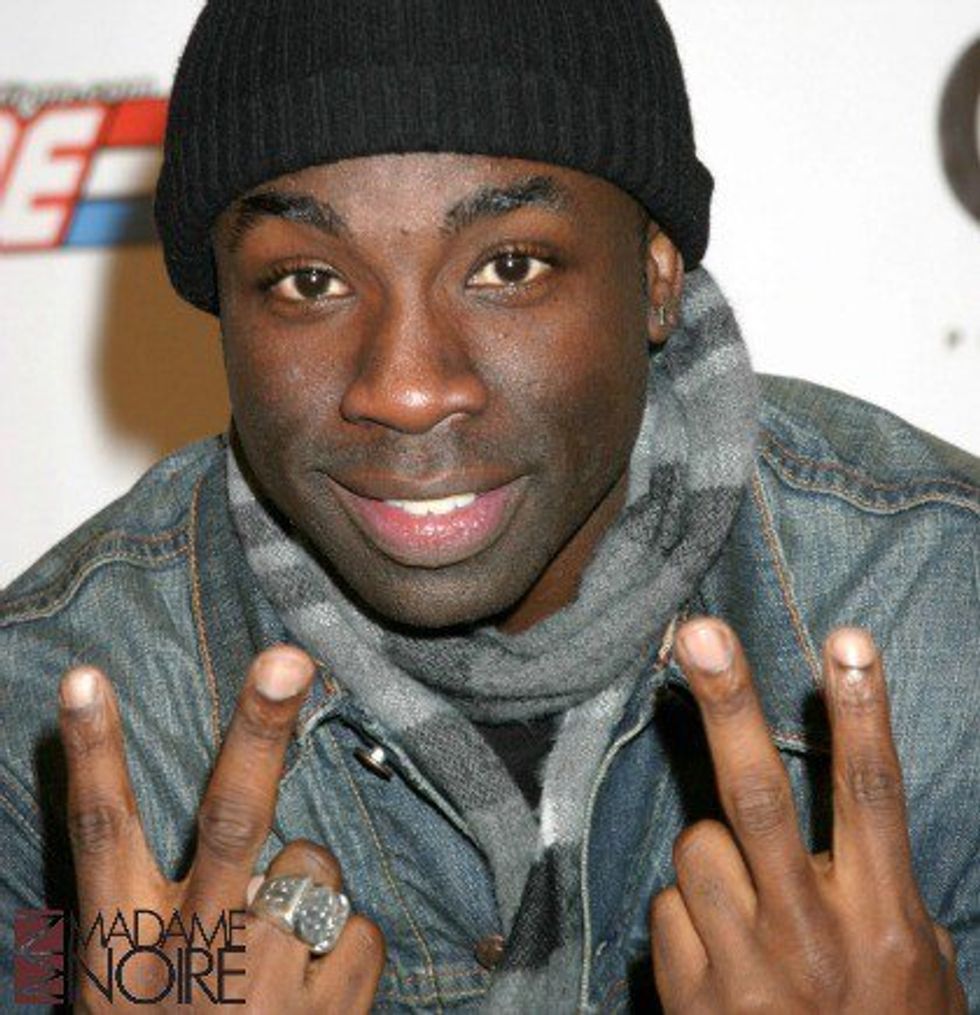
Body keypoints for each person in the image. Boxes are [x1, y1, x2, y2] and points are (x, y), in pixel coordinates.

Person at [1, 0, 977, 1011]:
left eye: (509, 267)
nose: (407, 388)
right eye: (308, 281)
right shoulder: (35, 729)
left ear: (654, 275)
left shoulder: (950, 609)